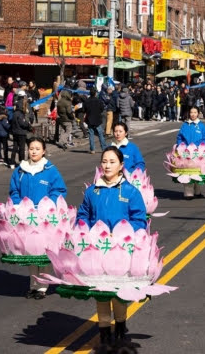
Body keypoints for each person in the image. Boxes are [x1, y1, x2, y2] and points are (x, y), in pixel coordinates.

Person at [76, 146, 147, 345]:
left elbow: (139, 219)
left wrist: (122, 234)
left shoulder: (131, 191)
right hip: (97, 249)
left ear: (121, 166)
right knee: (101, 292)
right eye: (104, 161)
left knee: (118, 291)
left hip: (121, 250)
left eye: (112, 162)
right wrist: (86, 231)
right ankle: (104, 330)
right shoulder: (92, 191)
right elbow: (83, 216)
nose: (107, 165)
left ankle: (121, 325)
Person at [9, 137, 67, 300]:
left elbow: (59, 190)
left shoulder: (50, 170)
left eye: (37, 148)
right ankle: (33, 285)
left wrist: (47, 205)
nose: (33, 151)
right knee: (30, 253)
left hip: (44, 217)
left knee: (42, 254)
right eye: (31, 148)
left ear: (44, 151)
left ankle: (42, 287)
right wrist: (18, 205)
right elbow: (14, 191)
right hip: (25, 216)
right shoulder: (20, 170)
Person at [176, 107, 205, 199]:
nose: (193, 114)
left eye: (195, 112)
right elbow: (179, 137)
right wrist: (181, 146)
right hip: (186, 152)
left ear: (198, 113)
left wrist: (200, 147)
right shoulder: (185, 125)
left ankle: (197, 190)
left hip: (197, 152)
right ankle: (188, 192)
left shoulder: (201, 126)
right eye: (191, 112)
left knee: (196, 171)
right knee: (187, 172)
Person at [10, 96, 33, 168]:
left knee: (15, 147)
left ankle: (12, 162)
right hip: (21, 132)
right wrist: (29, 126)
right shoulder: (20, 114)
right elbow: (23, 123)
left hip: (15, 132)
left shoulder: (14, 114)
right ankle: (22, 162)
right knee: (21, 148)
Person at [84, 87, 107, 154]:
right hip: (97, 119)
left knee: (91, 134)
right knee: (100, 134)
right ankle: (103, 148)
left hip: (90, 119)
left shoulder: (87, 101)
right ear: (95, 93)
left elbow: (84, 109)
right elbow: (102, 109)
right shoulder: (99, 101)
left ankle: (92, 149)